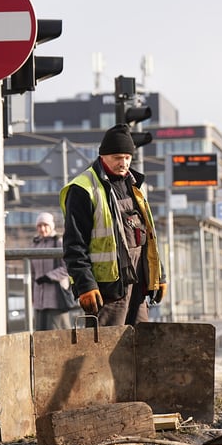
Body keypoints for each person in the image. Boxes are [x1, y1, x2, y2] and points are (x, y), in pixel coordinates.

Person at [60, 123, 166, 326]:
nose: (124, 163)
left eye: (127, 157)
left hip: (137, 286)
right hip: (106, 291)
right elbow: (74, 244)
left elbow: (149, 238)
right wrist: (85, 285)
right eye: (117, 157)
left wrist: (159, 275)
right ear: (103, 156)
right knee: (104, 351)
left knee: (138, 345)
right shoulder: (83, 189)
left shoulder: (134, 186)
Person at [31, 212, 72, 331]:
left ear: (51, 226)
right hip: (39, 297)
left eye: (45, 225)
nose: (42, 229)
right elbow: (33, 272)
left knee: (57, 329)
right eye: (39, 226)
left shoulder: (58, 241)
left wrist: (49, 276)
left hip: (56, 294)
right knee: (41, 331)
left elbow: (68, 267)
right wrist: (32, 294)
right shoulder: (35, 244)